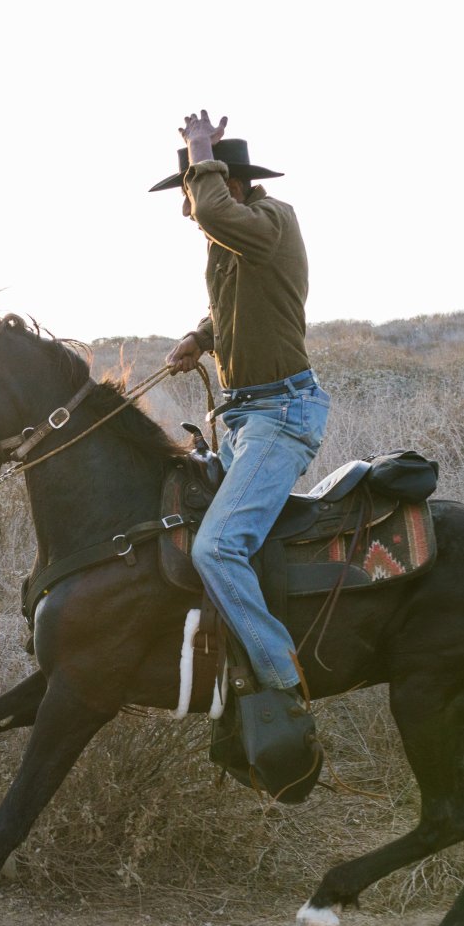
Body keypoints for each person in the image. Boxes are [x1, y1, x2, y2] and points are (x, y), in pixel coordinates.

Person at [154, 110, 328, 781]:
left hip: (282, 415)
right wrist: (201, 336)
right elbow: (235, 302)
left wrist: (200, 152)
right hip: (246, 414)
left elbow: (220, 218)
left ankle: (283, 683)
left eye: (195, 186)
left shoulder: (270, 221)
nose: (190, 203)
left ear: (229, 181)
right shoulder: (235, 241)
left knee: (217, 546)